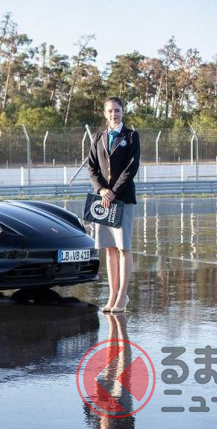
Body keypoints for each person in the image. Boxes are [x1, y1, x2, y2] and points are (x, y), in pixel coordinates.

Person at [87, 97, 140, 312]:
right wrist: (102, 190)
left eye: (117, 110)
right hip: (103, 201)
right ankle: (112, 296)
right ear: (105, 113)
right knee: (109, 248)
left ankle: (122, 296)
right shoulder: (98, 137)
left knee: (123, 247)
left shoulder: (131, 136)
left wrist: (114, 191)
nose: (114, 114)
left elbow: (131, 168)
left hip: (122, 198)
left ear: (123, 111)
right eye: (110, 111)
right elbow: (92, 167)